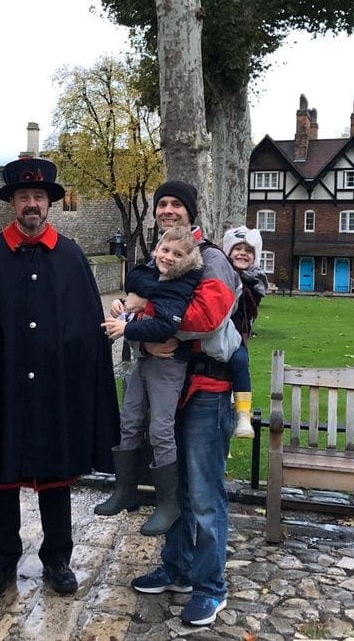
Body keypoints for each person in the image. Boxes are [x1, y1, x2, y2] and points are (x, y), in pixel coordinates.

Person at [0, 157, 119, 598]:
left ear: (49, 202)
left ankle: (58, 559)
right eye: (24, 197)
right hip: (1, 386)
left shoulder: (70, 256)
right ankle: (2, 562)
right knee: (0, 477)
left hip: (53, 387)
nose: (32, 204)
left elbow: (86, 327)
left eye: (39, 197)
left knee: (55, 476)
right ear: (12, 203)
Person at [128, 180, 238, 628]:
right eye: (162, 205)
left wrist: (148, 316)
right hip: (168, 387)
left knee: (205, 494)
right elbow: (128, 311)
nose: (169, 211)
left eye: (177, 204)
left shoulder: (211, 259)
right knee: (174, 489)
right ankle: (177, 569)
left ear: (192, 212)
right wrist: (143, 333)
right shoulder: (159, 260)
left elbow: (207, 317)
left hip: (207, 390)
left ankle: (211, 586)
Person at [98, 226, 203, 536]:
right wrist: (126, 303)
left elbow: (164, 326)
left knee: (160, 429)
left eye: (178, 254)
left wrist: (128, 327)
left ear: (188, 259)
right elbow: (134, 279)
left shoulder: (183, 282)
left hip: (168, 365)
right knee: (128, 420)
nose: (169, 257)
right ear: (157, 248)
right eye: (165, 250)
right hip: (145, 359)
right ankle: (125, 489)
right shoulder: (154, 274)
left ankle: (168, 503)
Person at [221, 225, 269, 438]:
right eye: (237, 249)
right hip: (217, 331)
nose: (242, 253)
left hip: (237, 335)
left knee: (240, 360)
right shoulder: (221, 273)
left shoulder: (254, 280)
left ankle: (243, 415)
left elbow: (249, 309)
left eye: (248, 250)